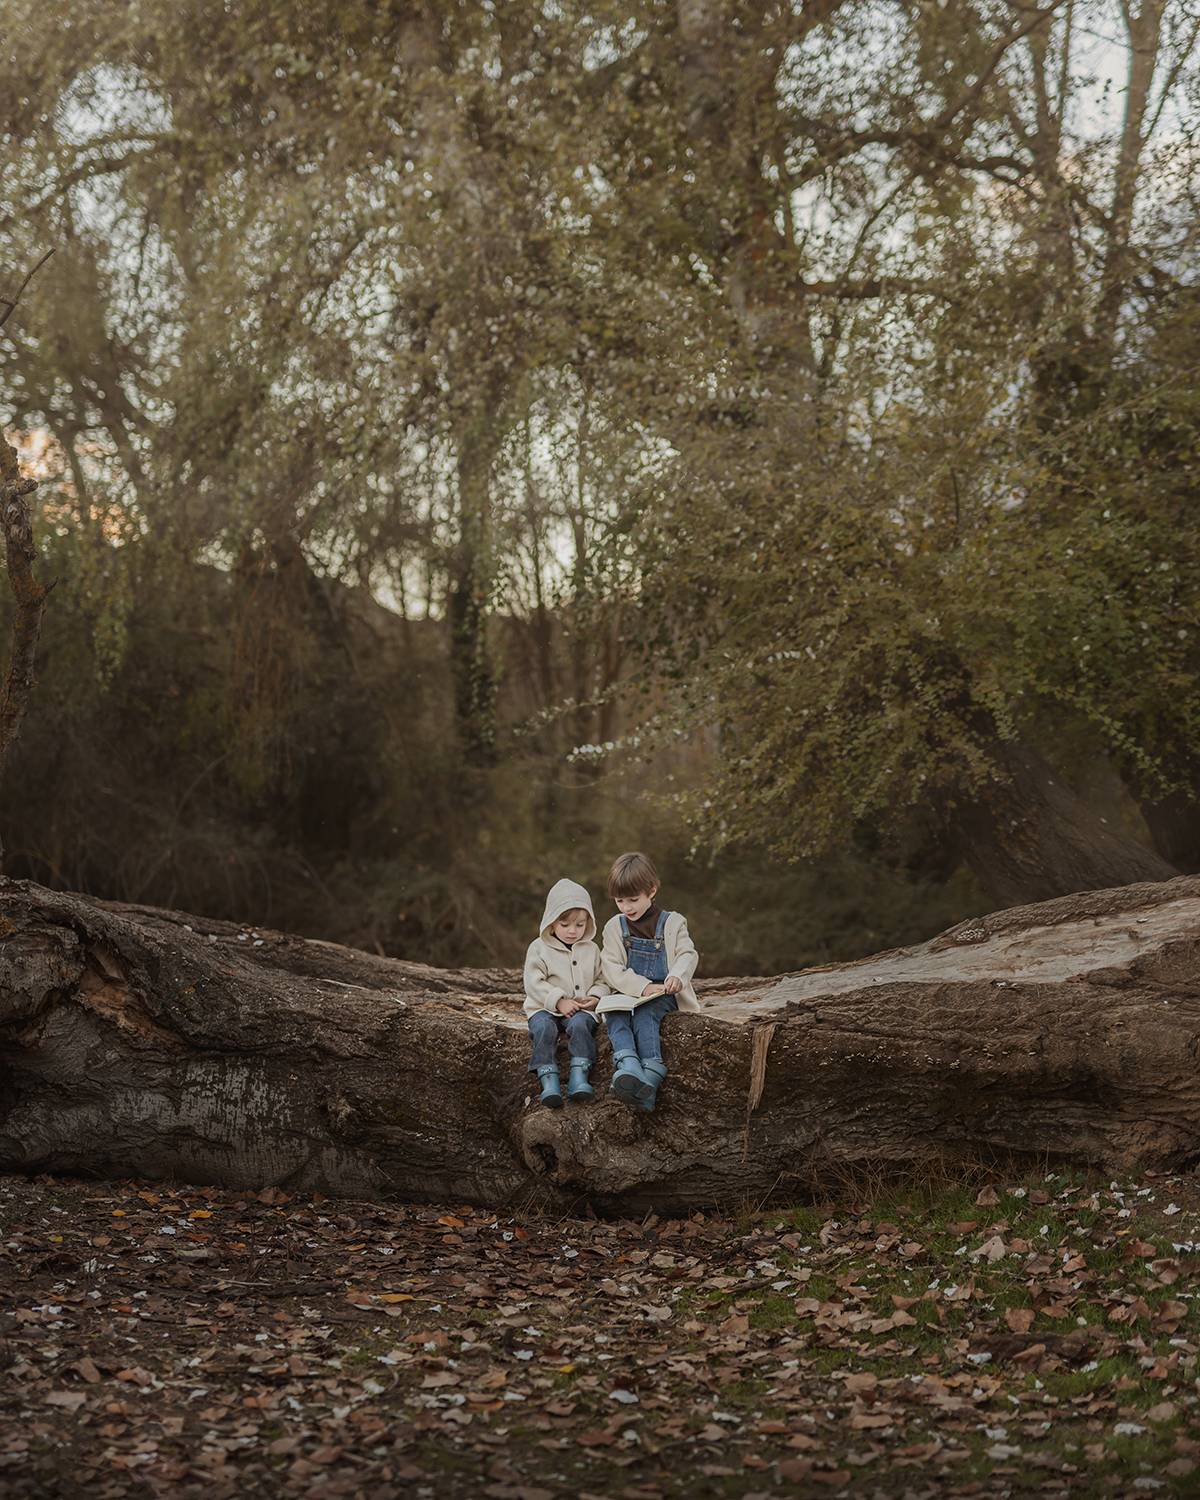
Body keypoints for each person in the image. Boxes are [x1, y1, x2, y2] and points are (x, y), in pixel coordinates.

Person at [598, 852, 699, 1111]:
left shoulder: (672, 923)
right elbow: (610, 966)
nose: (627, 907)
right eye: (620, 901)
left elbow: (687, 954)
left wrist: (676, 976)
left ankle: (652, 1070)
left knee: (645, 1013)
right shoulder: (614, 927)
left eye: (633, 900)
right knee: (615, 1015)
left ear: (651, 890)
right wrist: (640, 986)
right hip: (628, 992)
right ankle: (629, 1065)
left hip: (663, 994)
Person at [523, 878, 609, 1108]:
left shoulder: (592, 949)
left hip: (580, 1009)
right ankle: (548, 1080)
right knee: (543, 1028)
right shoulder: (538, 948)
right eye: (565, 924)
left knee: (581, 1026)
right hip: (543, 1008)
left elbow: (602, 978)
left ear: (588, 923)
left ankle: (579, 1076)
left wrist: (596, 996)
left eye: (580, 925)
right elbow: (533, 982)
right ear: (551, 922)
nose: (573, 931)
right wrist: (558, 1001)